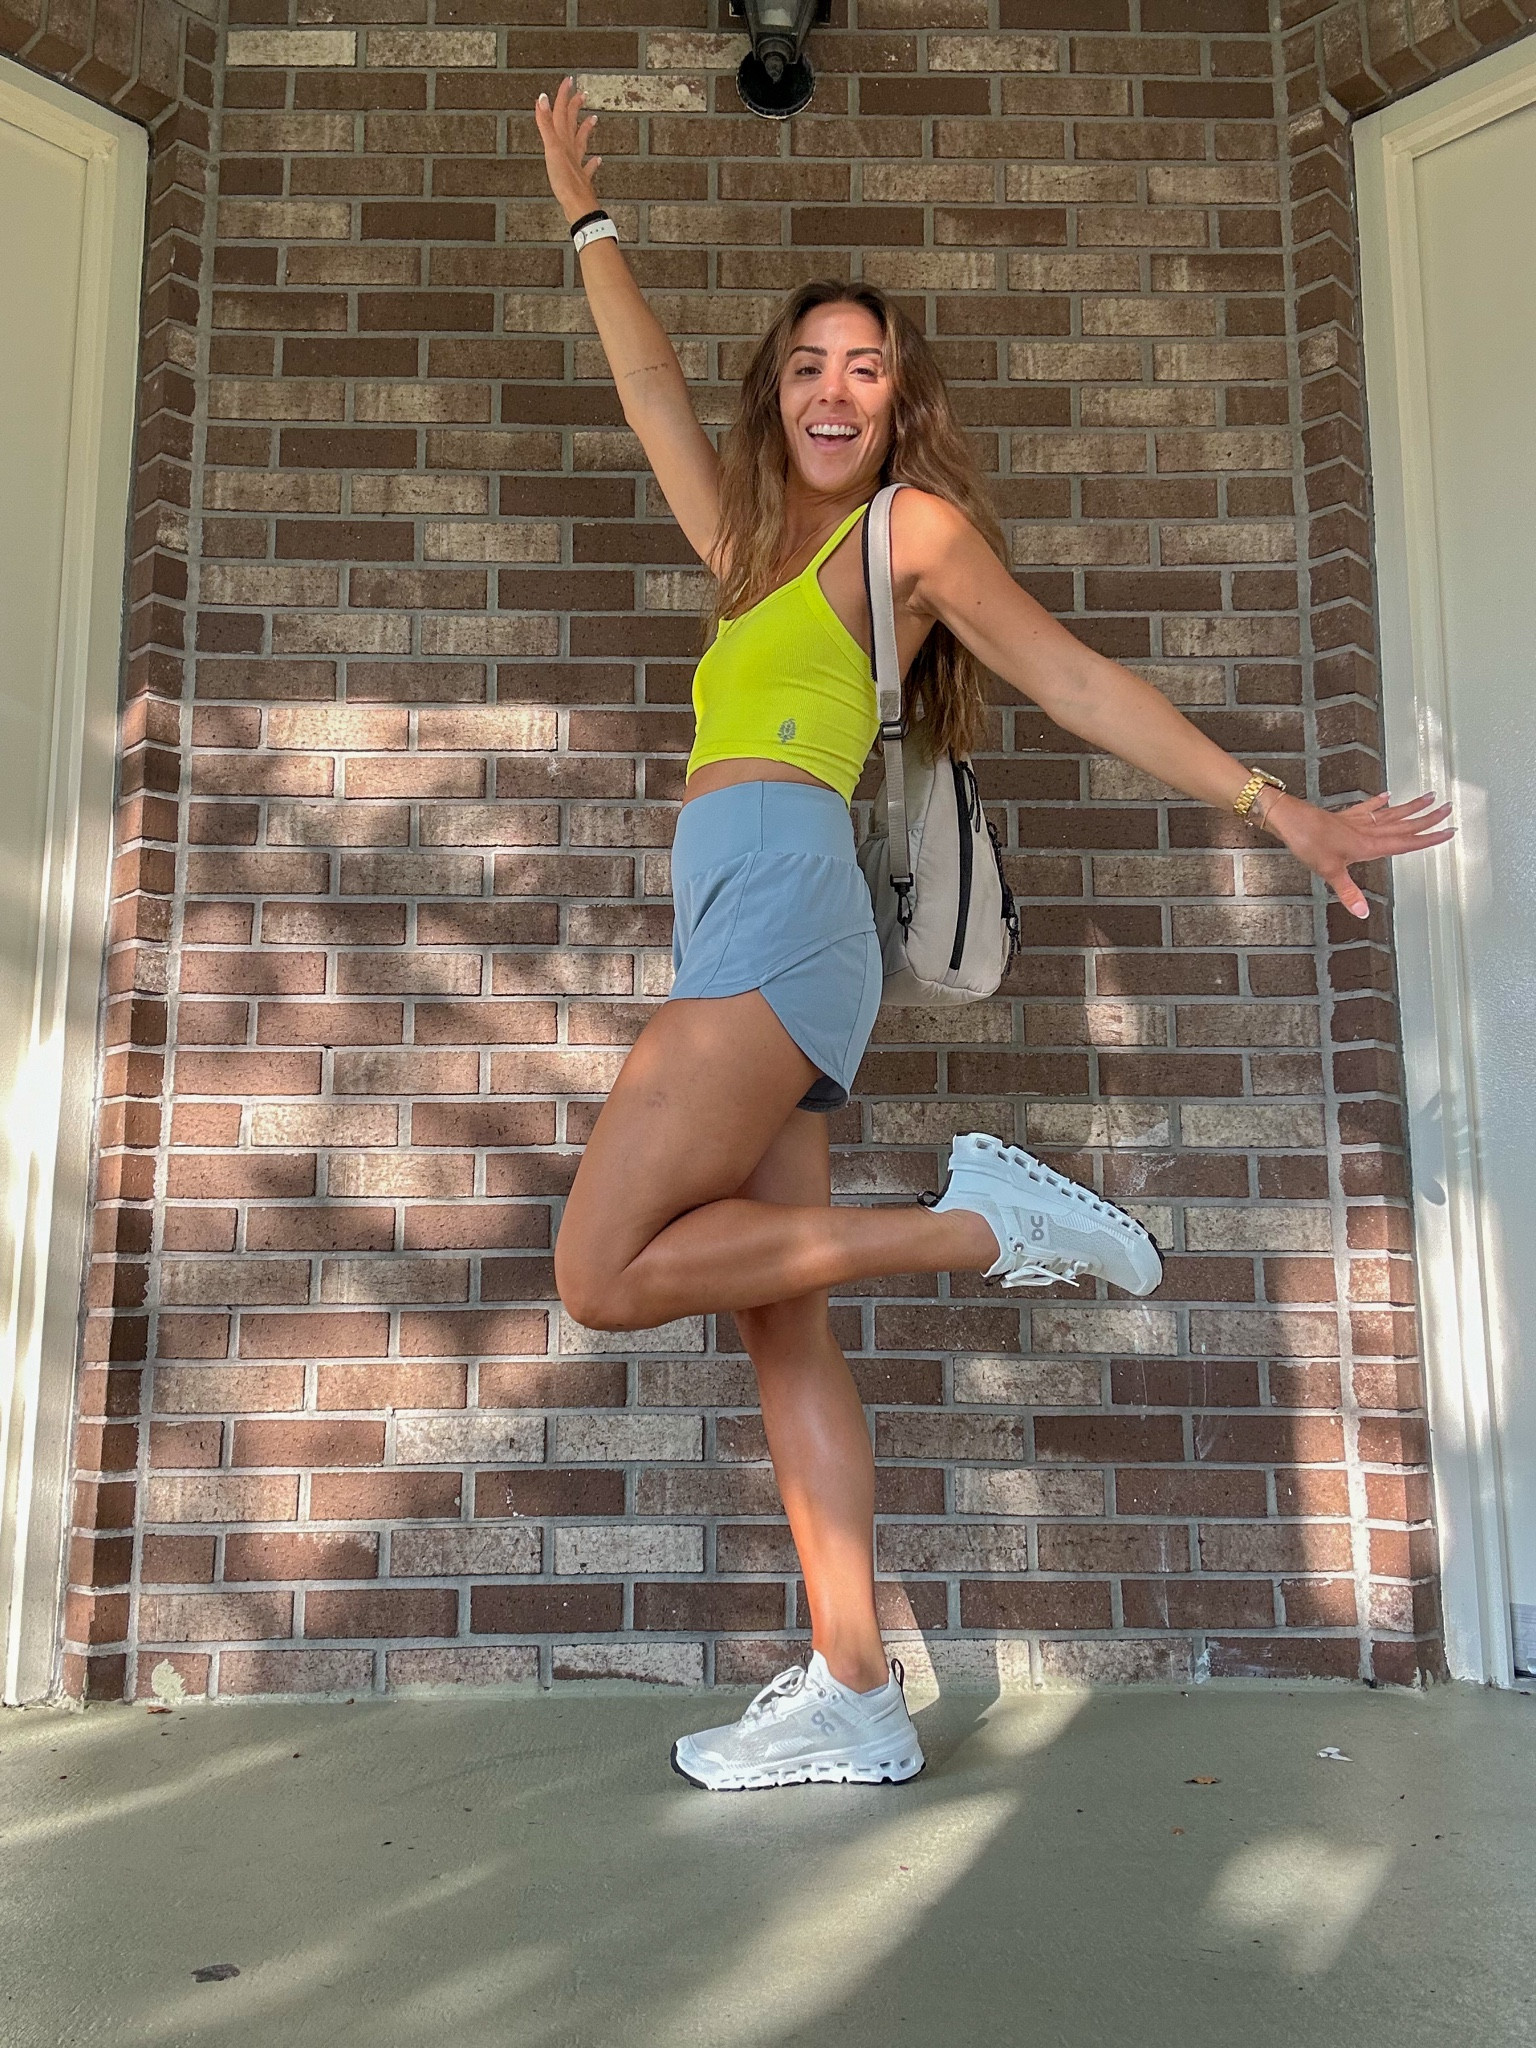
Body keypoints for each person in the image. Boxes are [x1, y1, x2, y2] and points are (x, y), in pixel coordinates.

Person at [533, 79, 1452, 1792]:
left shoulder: (910, 537)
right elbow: (648, 383)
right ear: (777, 395)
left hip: (783, 912)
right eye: (808, 366)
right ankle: (856, 1688)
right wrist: (587, 213)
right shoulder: (745, 550)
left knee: (602, 1273)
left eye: (865, 368)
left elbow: (1079, 681)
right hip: (743, 914)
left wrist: (1282, 807)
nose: (833, 389)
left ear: (900, 405)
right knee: (780, 1320)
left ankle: (980, 1227)